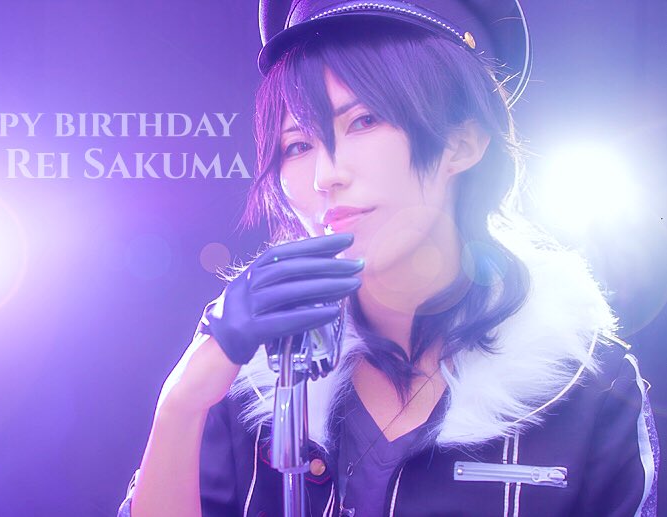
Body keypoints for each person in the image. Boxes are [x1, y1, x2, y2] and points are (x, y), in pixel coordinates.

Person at [119, 1, 660, 515]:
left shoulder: (590, 389)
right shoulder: (246, 371)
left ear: (463, 143)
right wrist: (183, 401)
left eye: (364, 121)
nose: (325, 175)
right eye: (297, 145)